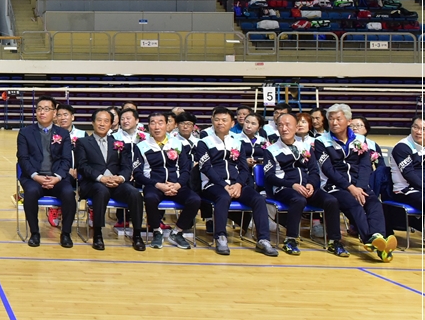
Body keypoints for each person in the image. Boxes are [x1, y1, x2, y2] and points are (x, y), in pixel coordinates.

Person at [314, 104, 396, 261]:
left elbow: (366, 166)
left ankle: (380, 240)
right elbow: (328, 170)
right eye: (331, 119)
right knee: (354, 204)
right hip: (334, 187)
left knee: (374, 202)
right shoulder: (321, 142)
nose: (334, 122)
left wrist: (360, 187)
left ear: (348, 121)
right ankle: (370, 240)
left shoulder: (361, 140)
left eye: (338, 119)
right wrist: (350, 187)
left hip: (359, 185)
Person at [195, 106, 279, 257]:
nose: (220, 123)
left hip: (237, 185)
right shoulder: (203, 143)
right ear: (212, 122)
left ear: (232, 123)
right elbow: (206, 168)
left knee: (258, 199)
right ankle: (220, 237)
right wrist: (224, 185)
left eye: (224, 120)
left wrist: (239, 184)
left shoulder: (237, 143)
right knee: (223, 196)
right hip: (213, 185)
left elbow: (244, 168)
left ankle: (263, 240)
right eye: (217, 120)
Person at [263, 112, 344, 256]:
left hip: (307, 188)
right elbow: (269, 177)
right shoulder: (271, 150)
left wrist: (311, 184)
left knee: (331, 200)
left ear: (296, 127)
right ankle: (290, 239)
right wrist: (292, 185)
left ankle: (334, 241)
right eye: (280, 125)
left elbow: (314, 170)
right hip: (285, 189)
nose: (284, 128)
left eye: (288, 125)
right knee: (298, 199)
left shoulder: (306, 147)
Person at [75, 109, 146, 251]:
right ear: (93, 122)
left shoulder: (119, 143)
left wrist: (120, 178)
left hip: (116, 183)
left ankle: (137, 235)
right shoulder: (83, 142)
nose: (102, 124)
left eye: (106, 121)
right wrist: (102, 178)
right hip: (93, 183)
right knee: (101, 191)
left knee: (135, 193)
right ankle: (98, 234)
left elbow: (126, 166)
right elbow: (83, 166)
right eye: (99, 120)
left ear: (111, 124)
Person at [134, 111, 199, 250]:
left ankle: (177, 232)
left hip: (176, 185)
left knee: (195, 200)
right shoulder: (141, 146)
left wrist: (178, 184)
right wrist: (158, 185)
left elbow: (185, 170)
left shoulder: (178, 144)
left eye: (160, 123)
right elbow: (138, 174)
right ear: (148, 126)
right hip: (154, 185)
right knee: (150, 198)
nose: (156, 127)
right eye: (153, 123)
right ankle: (156, 230)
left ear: (167, 125)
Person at [16, 95, 74, 248]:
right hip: (33, 177)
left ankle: (66, 233)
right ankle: (35, 233)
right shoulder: (25, 132)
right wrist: (36, 176)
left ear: (54, 113)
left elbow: (66, 159)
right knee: (30, 193)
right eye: (39, 109)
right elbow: (23, 158)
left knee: (69, 193)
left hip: (57, 178)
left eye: (47, 109)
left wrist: (57, 177)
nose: (42, 112)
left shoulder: (63, 134)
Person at [389, 115, 425, 232]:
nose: (419, 132)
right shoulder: (402, 147)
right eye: (415, 127)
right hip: (406, 190)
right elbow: (410, 175)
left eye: (423, 129)